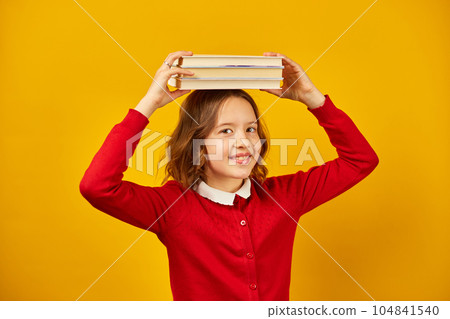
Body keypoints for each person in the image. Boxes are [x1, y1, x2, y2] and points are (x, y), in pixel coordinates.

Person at [79, 50, 379, 301]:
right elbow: (97, 187)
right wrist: (149, 105)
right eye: (226, 131)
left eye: (250, 129)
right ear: (197, 142)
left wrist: (313, 99)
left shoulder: (285, 196)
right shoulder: (172, 208)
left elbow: (361, 161)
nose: (243, 141)